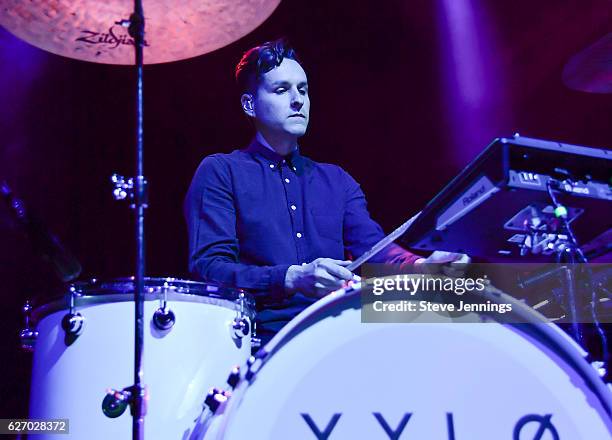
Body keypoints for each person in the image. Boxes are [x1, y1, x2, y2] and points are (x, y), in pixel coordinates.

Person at [184, 38, 468, 344]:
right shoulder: (221, 171)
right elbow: (209, 270)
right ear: (249, 104)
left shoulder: (337, 180)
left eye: (303, 90)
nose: (298, 100)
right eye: (282, 90)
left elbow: (374, 251)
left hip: (338, 335)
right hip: (261, 340)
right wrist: (291, 277)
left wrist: (420, 267)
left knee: (461, 317)